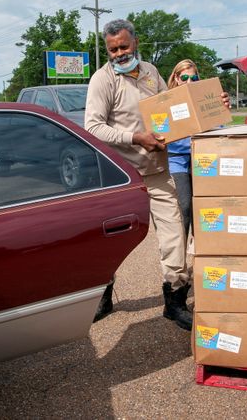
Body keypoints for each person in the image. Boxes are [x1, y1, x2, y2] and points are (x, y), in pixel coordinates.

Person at [85, 19, 229, 331]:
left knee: (175, 234)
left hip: (158, 171)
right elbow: (93, 126)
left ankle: (174, 302)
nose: (120, 53)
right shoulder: (102, 80)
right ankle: (103, 292)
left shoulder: (151, 72)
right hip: (120, 177)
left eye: (124, 46)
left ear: (134, 42)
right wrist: (137, 137)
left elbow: (175, 109)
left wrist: (213, 107)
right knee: (115, 242)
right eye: (113, 49)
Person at [166, 59, 201, 240]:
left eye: (193, 78)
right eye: (184, 77)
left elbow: (217, 126)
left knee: (202, 207)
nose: (189, 82)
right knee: (185, 206)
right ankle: (179, 258)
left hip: (201, 160)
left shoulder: (203, 99)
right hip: (177, 160)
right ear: (176, 78)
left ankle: (200, 255)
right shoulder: (165, 102)